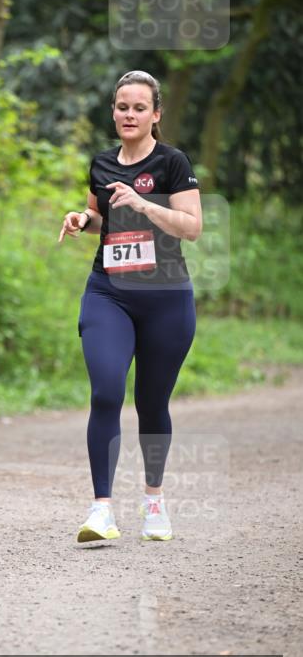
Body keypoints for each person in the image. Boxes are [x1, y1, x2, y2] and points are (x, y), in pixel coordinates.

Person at [59, 70, 202, 544]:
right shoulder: (101, 163)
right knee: (105, 392)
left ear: (155, 115)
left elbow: (191, 226)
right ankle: (101, 510)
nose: (129, 114)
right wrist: (83, 218)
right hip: (109, 292)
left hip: (165, 297)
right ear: (113, 111)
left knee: (151, 403)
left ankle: (154, 501)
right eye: (122, 106)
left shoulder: (173, 163)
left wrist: (144, 204)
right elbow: (101, 212)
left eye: (140, 108)